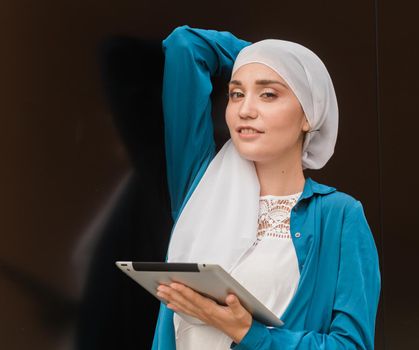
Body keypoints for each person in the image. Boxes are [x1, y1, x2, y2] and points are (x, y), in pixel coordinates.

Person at [152, 25, 381, 350]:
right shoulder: (202, 187)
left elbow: (352, 346)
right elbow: (184, 45)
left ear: (308, 114)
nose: (245, 110)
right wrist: (260, 56)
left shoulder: (338, 216)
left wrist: (249, 332)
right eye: (236, 94)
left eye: (269, 94)